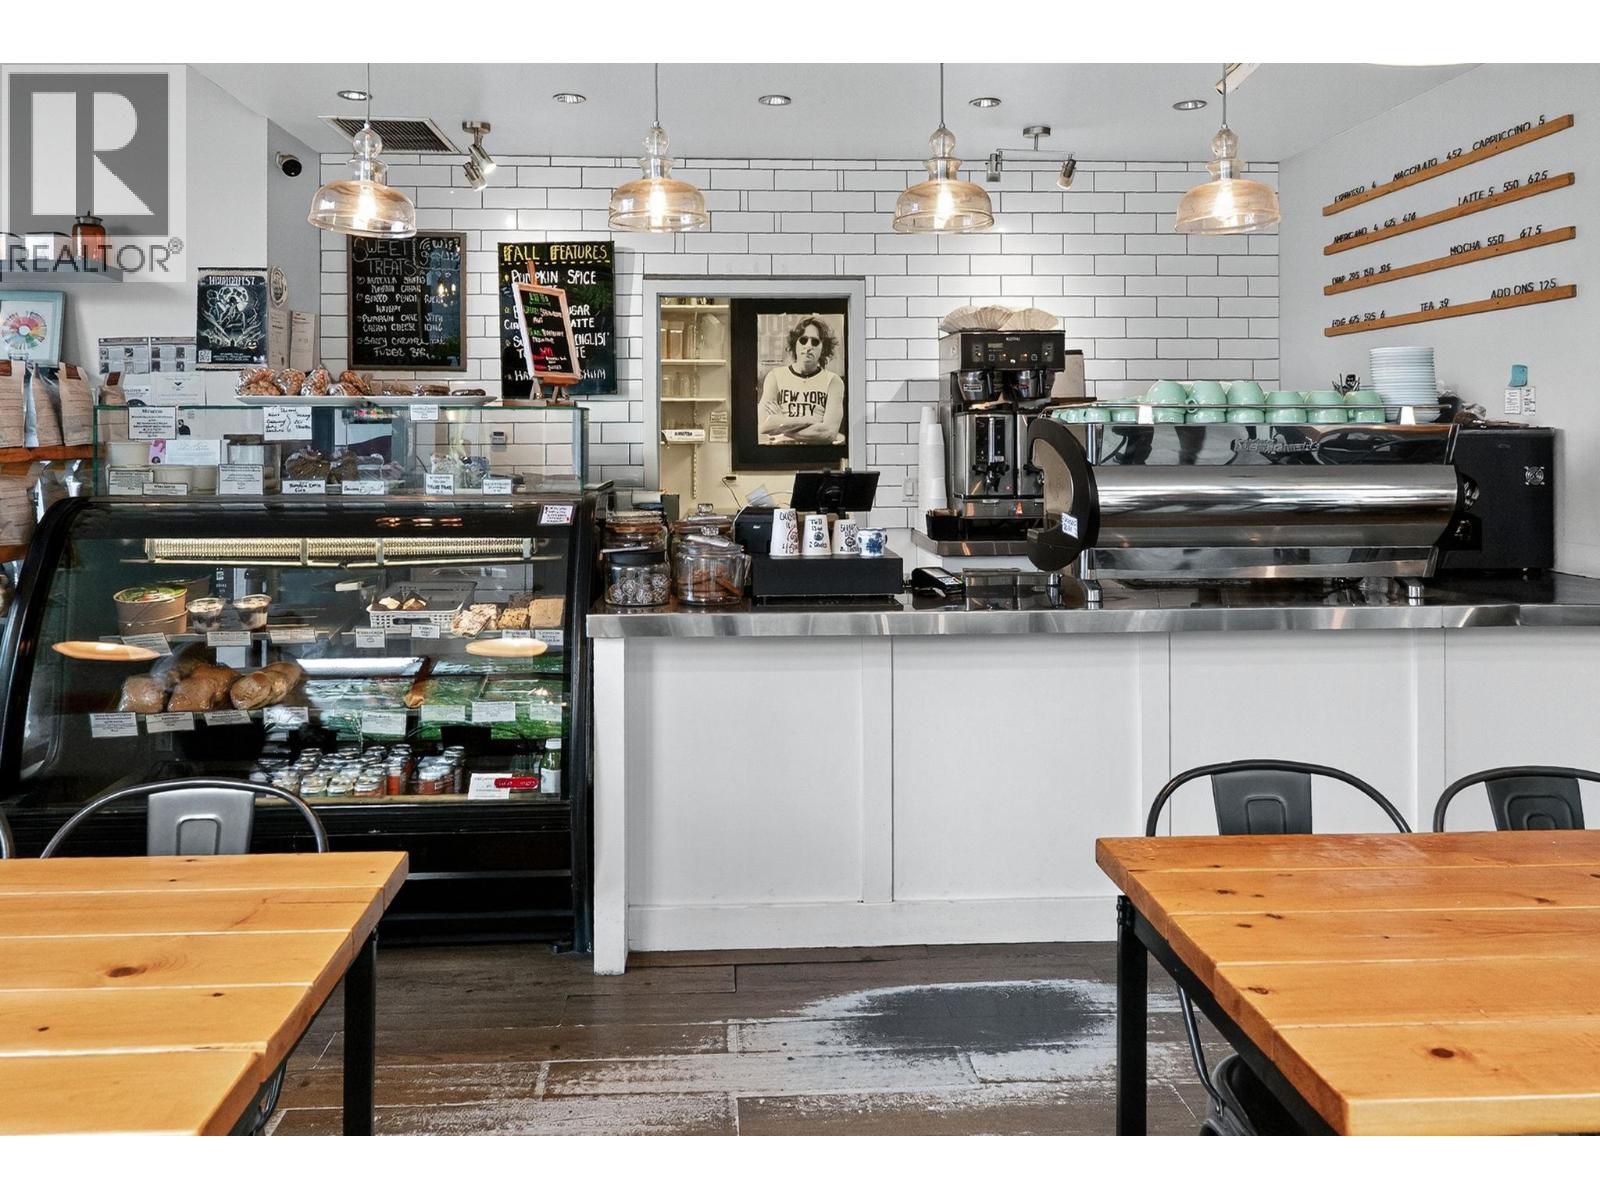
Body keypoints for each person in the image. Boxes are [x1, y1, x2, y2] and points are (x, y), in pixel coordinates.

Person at [757, 317, 845, 445]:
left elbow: (828, 433)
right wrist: (809, 420)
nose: (808, 346)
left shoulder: (833, 381)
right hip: (781, 453)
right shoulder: (775, 376)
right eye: (803, 340)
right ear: (795, 344)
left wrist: (781, 421)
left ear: (823, 348)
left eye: (815, 342)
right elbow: (763, 426)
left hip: (818, 454)